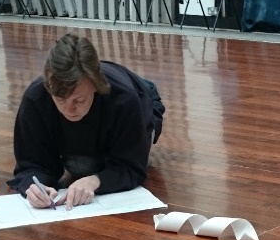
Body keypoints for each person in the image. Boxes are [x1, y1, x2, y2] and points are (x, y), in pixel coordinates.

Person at [8, 33, 165, 209]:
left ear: (95, 86)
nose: (68, 109)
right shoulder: (35, 98)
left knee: (87, 167)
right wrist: (34, 185)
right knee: (81, 165)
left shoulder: (124, 100)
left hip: (143, 98)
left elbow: (132, 167)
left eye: (79, 100)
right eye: (60, 99)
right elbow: (30, 164)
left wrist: (95, 181)